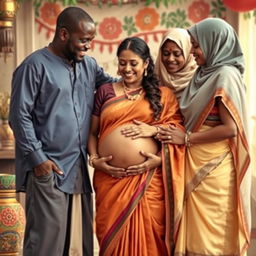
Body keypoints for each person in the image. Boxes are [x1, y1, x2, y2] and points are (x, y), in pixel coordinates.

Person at [9, 7, 117, 256]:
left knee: (77, 245)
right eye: (84, 40)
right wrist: (39, 160)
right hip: (50, 169)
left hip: (79, 169)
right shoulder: (34, 66)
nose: (88, 46)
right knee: (46, 247)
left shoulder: (89, 66)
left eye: (90, 40)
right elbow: (18, 116)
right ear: (64, 34)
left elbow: (115, 89)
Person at [158, 18, 251, 255]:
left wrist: (186, 139)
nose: (193, 52)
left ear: (214, 43)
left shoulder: (226, 76)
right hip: (192, 161)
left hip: (215, 167)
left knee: (212, 237)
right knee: (193, 239)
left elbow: (231, 128)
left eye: (196, 46)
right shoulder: (202, 74)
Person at [87, 37, 185, 255]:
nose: (127, 69)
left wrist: (158, 156)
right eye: (122, 63)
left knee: (151, 241)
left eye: (133, 63)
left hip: (149, 182)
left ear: (146, 64)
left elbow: (177, 135)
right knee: (111, 240)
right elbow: (92, 133)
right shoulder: (105, 92)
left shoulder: (163, 95)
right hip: (110, 181)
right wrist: (95, 161)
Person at [154, 28, 197, 101]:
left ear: (188, 53)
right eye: (166, 53)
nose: (170, 59)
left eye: (177, 54)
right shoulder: (154, 78)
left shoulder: (199, 79)